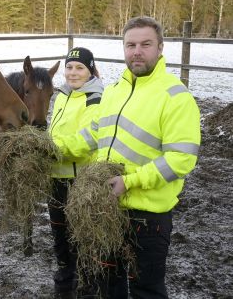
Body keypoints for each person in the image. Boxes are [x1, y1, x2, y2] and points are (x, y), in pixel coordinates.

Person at [52, 16, 201, 298]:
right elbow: (93, 135)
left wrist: (130, 182)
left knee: (147, 290)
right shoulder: (114, 92)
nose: (137, 51)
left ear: (160, 48)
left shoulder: (175, 97)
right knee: (108, 284)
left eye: (146, 44)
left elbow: (181, 159)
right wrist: (56, 149)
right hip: (108, 208)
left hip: (148, 217)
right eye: (130, 44)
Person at [48, 47, 104, 299]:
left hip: (80, 179)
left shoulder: (96, 98)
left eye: (79, 67)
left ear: (90, 70)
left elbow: (90, 138)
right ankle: (64, 282)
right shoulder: (62, 94)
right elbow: (54, 132)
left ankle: (87, 286)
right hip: (55, 176)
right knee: (60, 232)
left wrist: (51, 149)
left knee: (82, 235)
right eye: (69, 67)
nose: (72, 73)